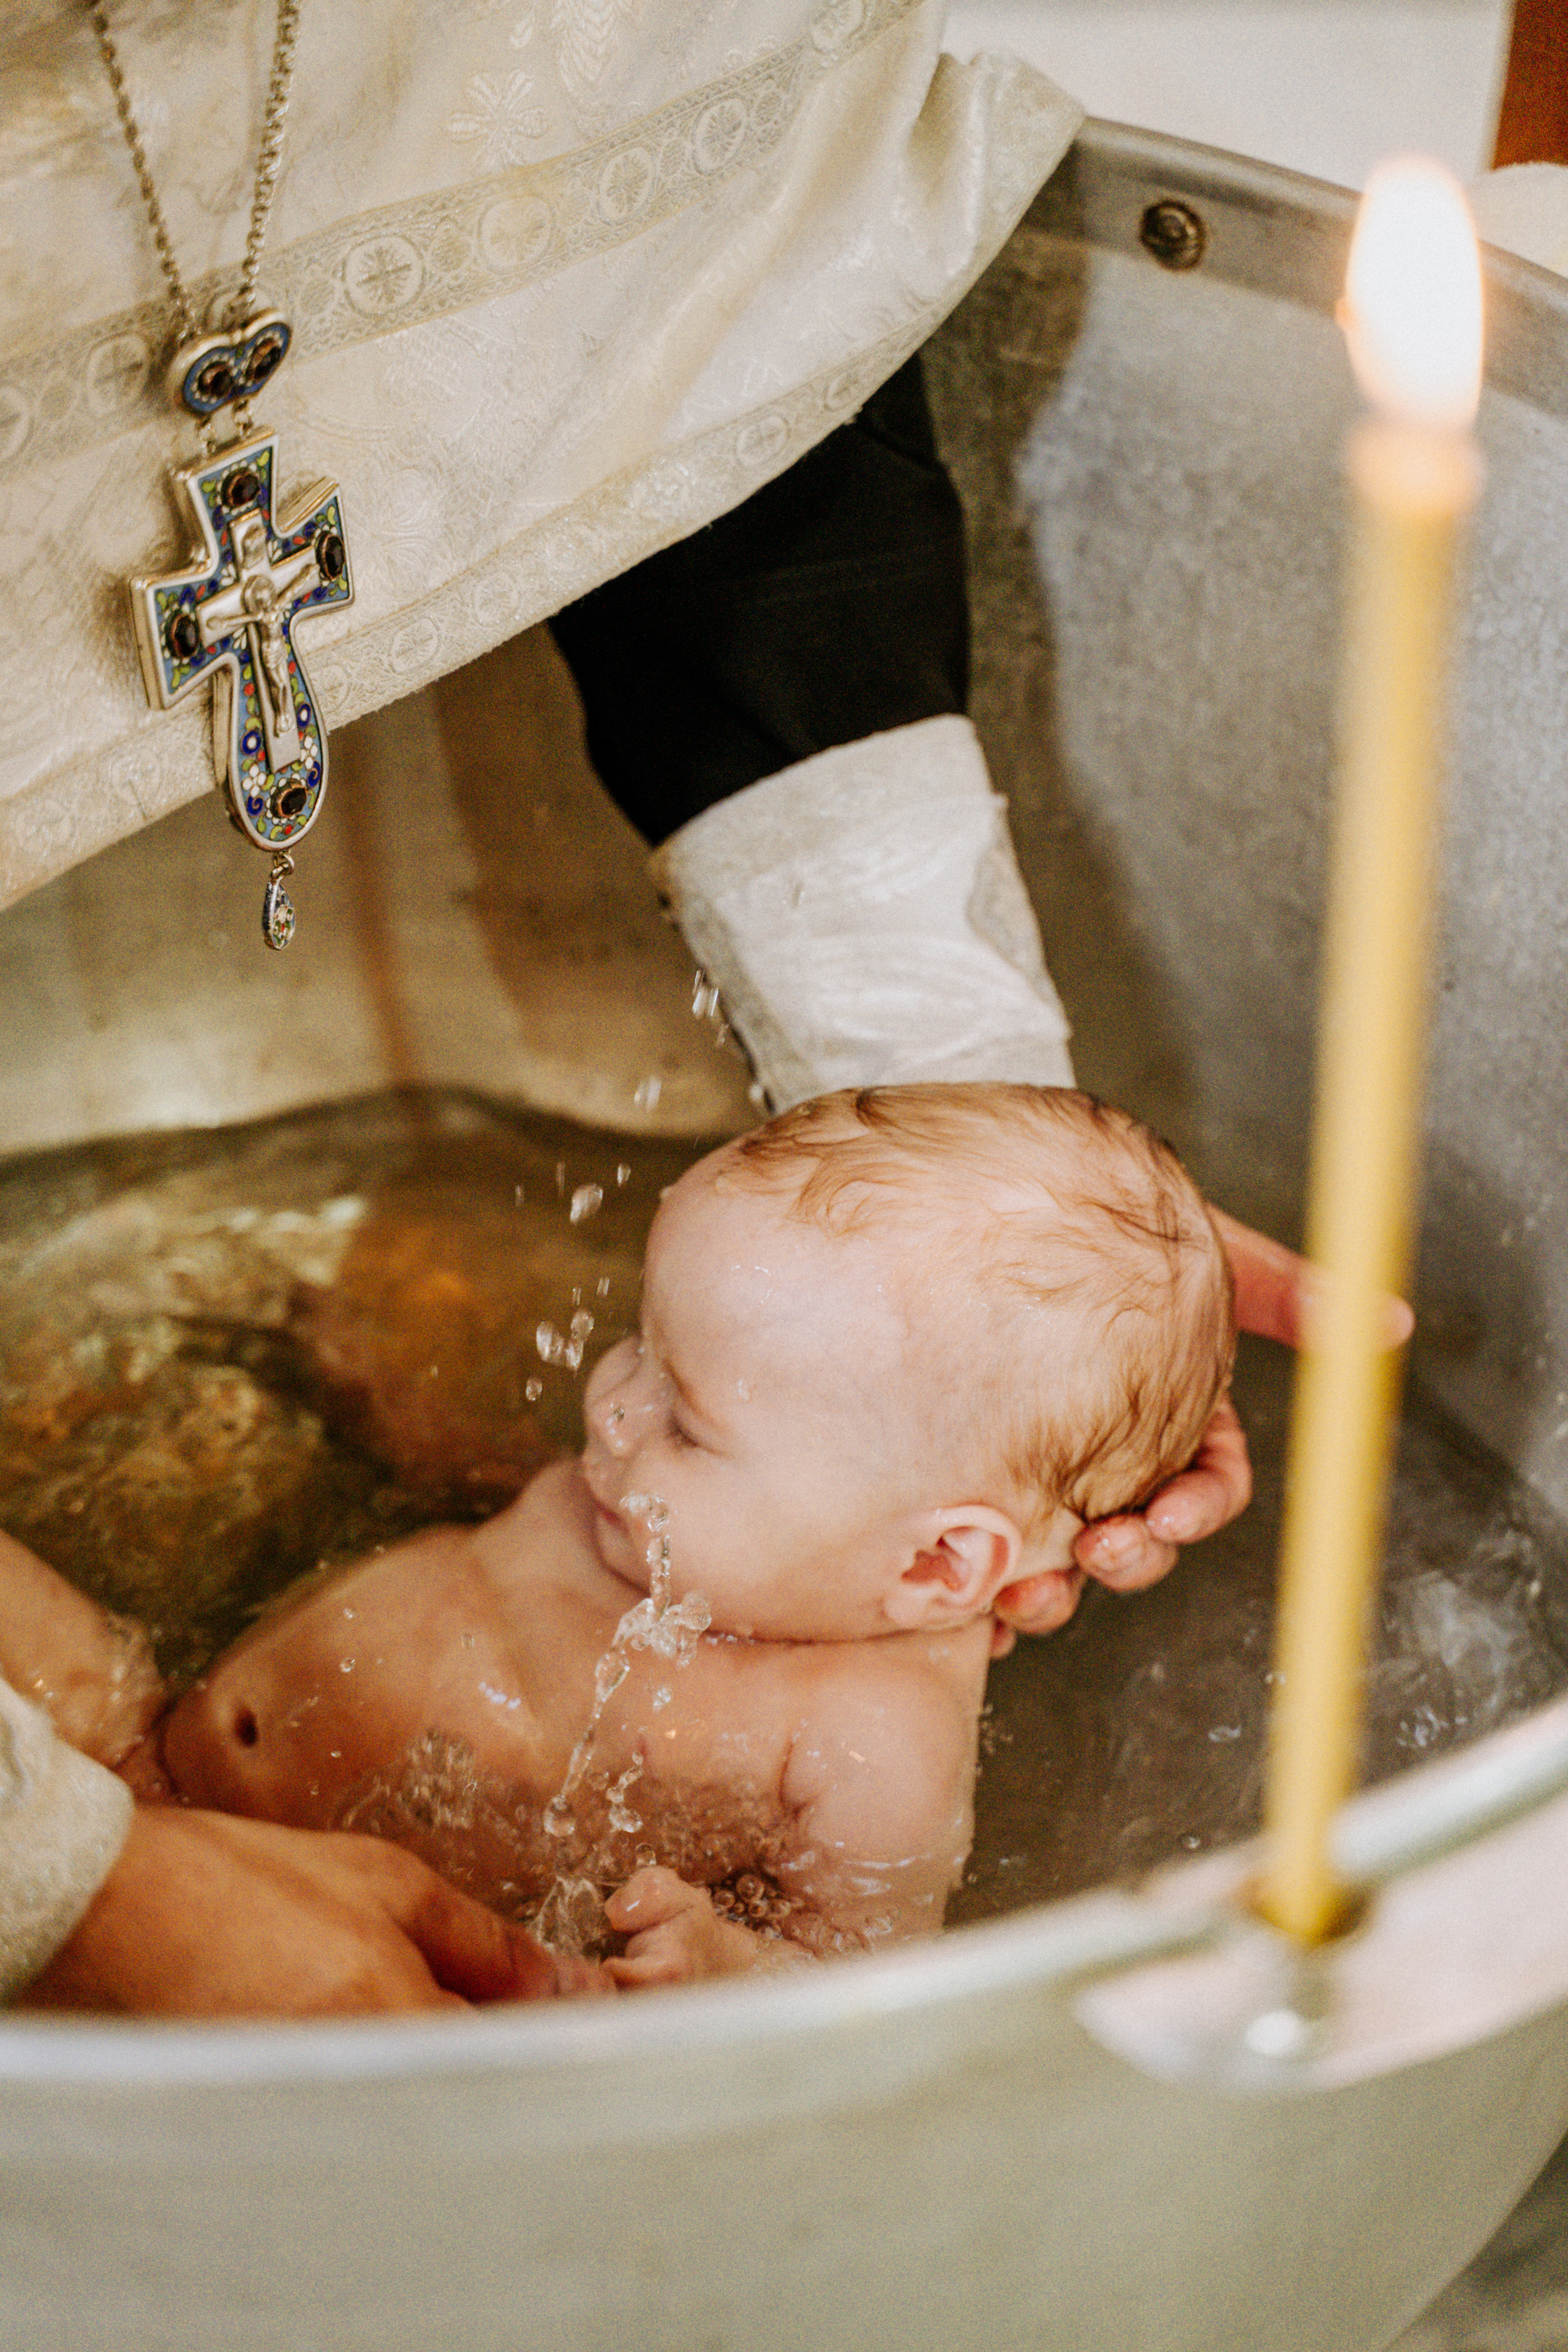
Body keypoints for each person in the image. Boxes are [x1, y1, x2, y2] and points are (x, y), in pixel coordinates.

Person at [4, 1085, 1233, 1992]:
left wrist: (720, 1968)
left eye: (686, 1423)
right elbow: (484, 1486)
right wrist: (381, 1415)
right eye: (640, 1341)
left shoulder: (874, 1736)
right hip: (119, 1761)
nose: (608, 1401)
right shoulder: (663, 1501)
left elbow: (867, 1986)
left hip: (322, 1970)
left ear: (930, 1567)